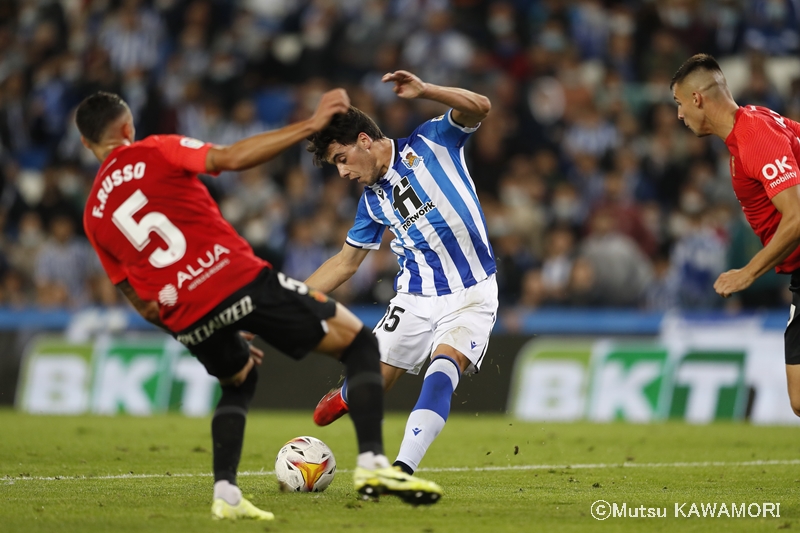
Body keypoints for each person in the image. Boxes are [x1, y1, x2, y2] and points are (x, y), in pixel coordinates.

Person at [75, 91, 442, 521]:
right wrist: (308, 125)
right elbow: (229, 158)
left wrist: (194, 328)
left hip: (186, 312)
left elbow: (141, 302)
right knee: (361, 343)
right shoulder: (154, 150)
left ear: (86, 144)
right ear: (127, 129)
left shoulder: (93, 213)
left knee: (238, 382)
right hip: (234, 279)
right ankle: (373, 466)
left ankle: (227, 494)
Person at [305, 70, 498, 476]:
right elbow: (345, 262)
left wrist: (427, 90)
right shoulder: (371, 204)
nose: (342, 173)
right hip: (413, 298)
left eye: (341, 159)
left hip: (473, 292)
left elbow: (480, 106)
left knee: (444, 369)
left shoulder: (432, 140)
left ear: (363, 140)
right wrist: (285, 300)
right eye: (334, 166)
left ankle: (402, 470)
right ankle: (346, 395)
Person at [670, 53, 800, 416]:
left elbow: (797, 217)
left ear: (697, 99)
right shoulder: (754, 123)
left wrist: (748, 272)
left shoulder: (754, 135)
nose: (679, 114)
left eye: (680, 103)